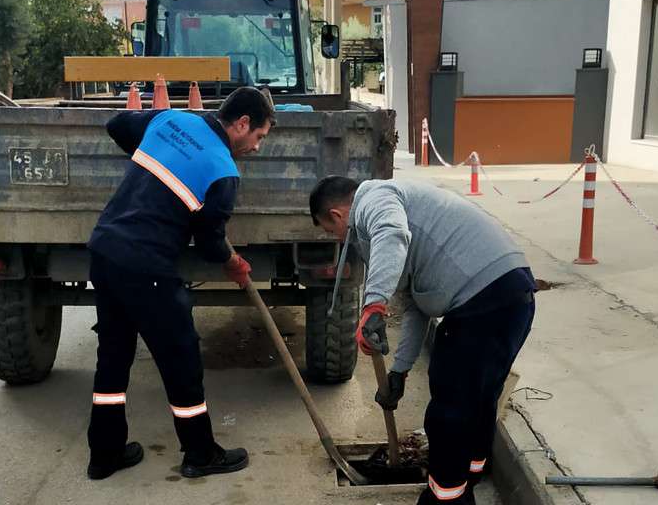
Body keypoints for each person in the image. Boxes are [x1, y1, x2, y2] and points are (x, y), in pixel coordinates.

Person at [85, 87, 275, 481]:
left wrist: (157, 160)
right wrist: (233, 262)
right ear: (242, 124)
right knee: (181, 359)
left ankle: (104, 455)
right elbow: (208, 244)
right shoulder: (223, 171)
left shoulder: (171, 120)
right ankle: (200, 453)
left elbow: (117, 123)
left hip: (104, 250)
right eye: (259, 137)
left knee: (114, 356)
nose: (257, 148)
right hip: (146, 266)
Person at [309, 177, 536, 505]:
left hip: (485, 303)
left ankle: (446, 497)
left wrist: (374, 303)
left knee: (449, 411)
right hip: (510, 300)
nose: (339, 239)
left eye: (331, 231)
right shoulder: (409, 216)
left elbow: (391, 233)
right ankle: (470, 475)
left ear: (337, 215)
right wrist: (399, 371)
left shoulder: (375, 199)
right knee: (478, 399)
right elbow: (418, 305)